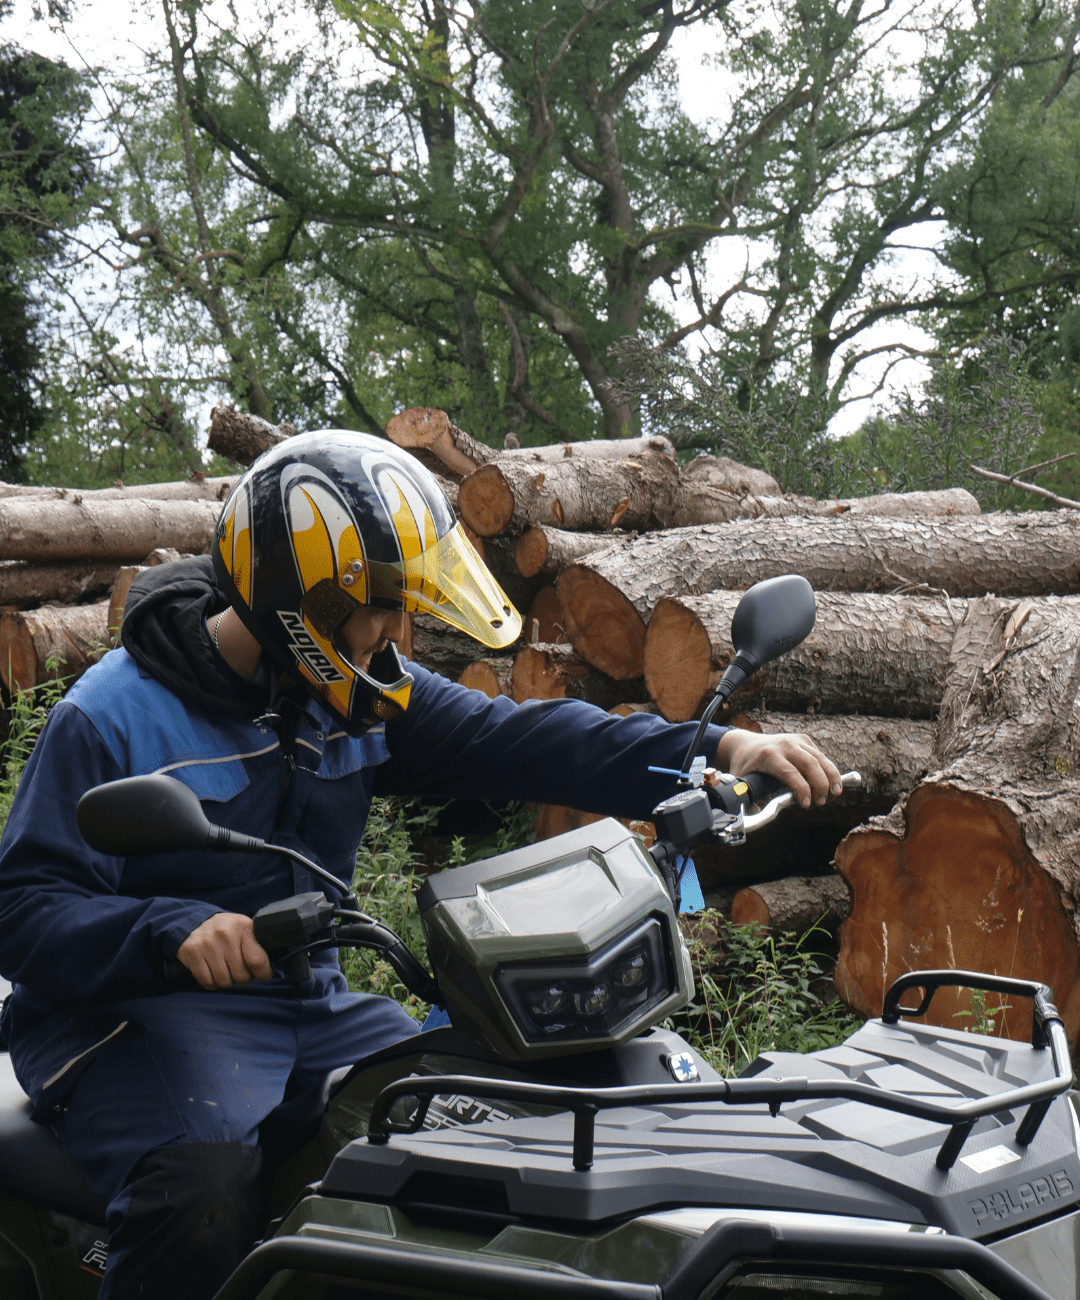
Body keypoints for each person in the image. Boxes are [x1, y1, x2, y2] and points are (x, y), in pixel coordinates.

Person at [0, 430, 841, 1298]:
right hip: (127, 1020)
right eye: (379, 608)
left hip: (307, 1004)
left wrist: (715, 746)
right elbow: (20, 907)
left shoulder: (351, 692)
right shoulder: (114, 715)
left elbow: (525, 737)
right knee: (198, 1195)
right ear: (299, 602)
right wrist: (171, 931)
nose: (397, 633)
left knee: (476, 1125)